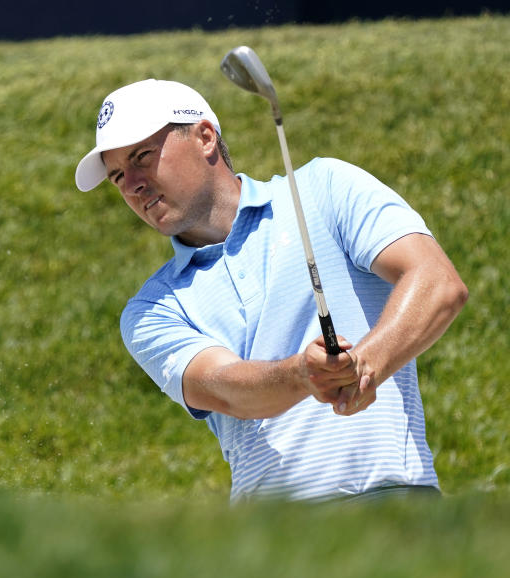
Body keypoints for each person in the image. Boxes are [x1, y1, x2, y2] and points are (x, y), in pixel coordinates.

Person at [75, 78, 468, 502]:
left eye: (142, 157)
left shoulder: (324, 189)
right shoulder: (152, 308)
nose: (132, 184)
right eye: (117, 176)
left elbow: (437, 282)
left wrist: (364, 366)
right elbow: (226, 387)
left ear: (205, 137)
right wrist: (304, 373)